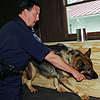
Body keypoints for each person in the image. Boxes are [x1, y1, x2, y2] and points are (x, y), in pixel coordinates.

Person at [0, 0, 86, 100]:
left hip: (8, 76)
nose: (38, 18)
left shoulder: (9, 26)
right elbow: (52, 58)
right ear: (25, 12)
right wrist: (74, 72)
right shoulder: (24, 32)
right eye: (35, 14)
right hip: (8, 80)